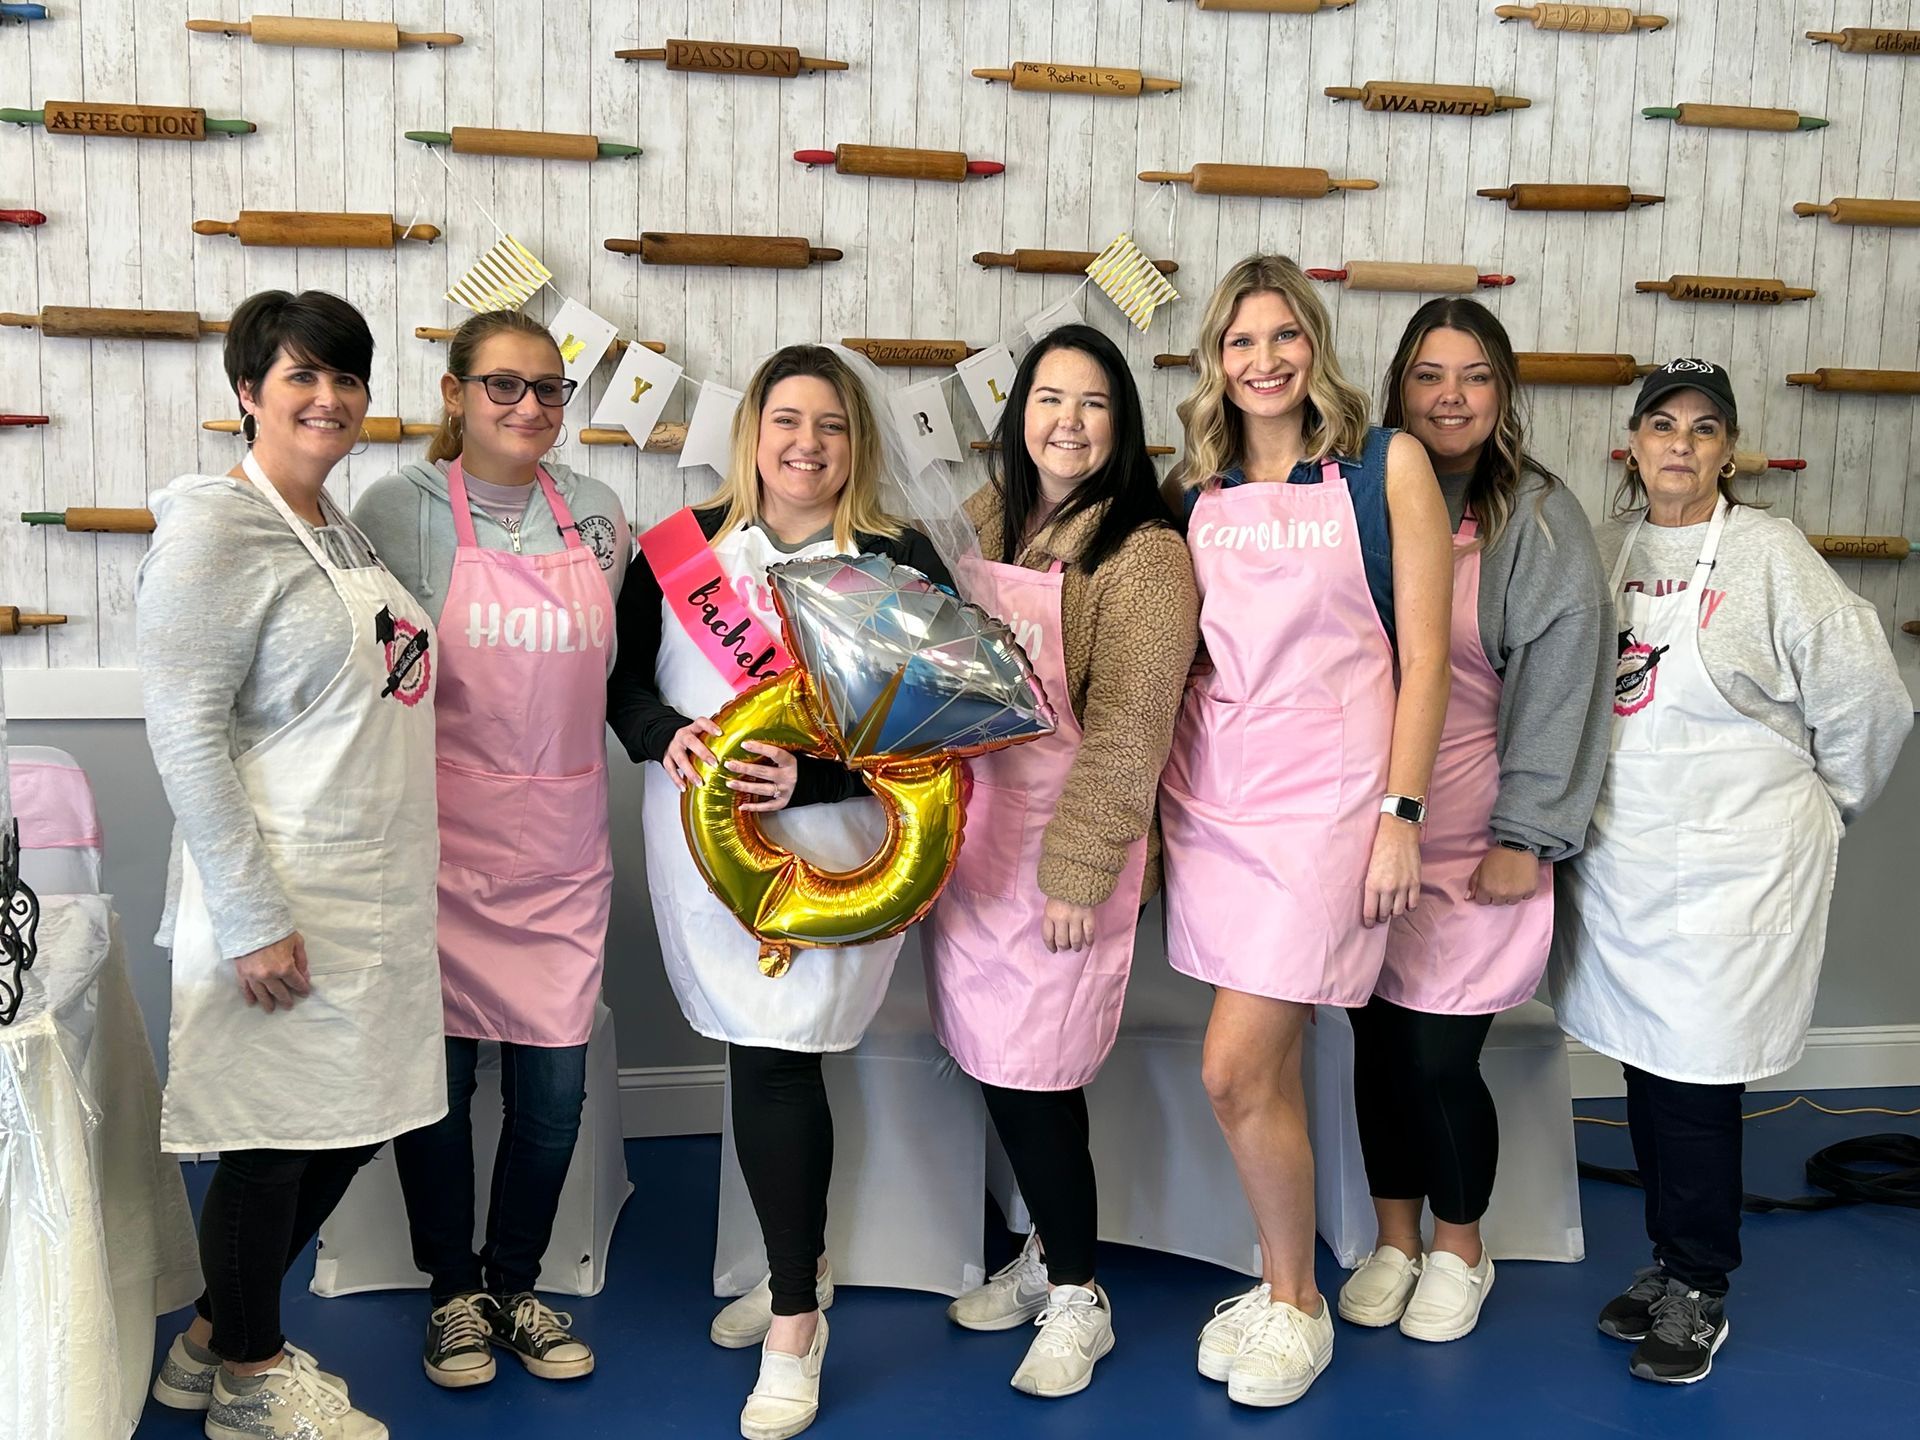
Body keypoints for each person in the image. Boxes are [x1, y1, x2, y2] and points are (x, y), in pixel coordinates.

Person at [607, 345, 957, 1440]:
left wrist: (815, 774)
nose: (808, 445)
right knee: (757, 1053)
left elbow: (941, 717)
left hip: (842, 846)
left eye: (833, 426)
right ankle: (796, 1264)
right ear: (751, 430)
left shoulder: (898, 557)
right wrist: (668, 739)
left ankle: (796, 1323)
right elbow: (621, 685)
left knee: (775, 1056)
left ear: (858, 442)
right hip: (704, 846)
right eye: (787, 421)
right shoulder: (677, 552)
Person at [1552, 358, 1911, 1385]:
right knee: (1641, 1058)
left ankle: (1701, 1282)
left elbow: (1867, 696)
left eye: (1704, 430)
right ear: (1633, 442)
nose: (1680, 444)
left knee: (1699, 1074)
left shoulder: (1770, 553)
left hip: (1735, 867)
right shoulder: (1610, 547)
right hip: (1628, 863)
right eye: (1662, 424)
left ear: (1728, 452)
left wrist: (1826, 801)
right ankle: (1667, 1259)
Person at [141, 289, 440, 1440]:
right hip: (280, 888)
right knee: (272, 1139)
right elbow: (183, 730)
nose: (329, 398)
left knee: (356, 1116)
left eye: (348, 378)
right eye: (302, 376)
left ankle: (215, 1335)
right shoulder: (216, 529)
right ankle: (255, 1381)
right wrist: (253, 913)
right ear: (247, 394)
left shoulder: (342, 528)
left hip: (368, 884)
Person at [1158, 254, 1454, 1408]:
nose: (1265, 360)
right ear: (1216, 362)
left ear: (1313, 346)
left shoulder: (1387, 470)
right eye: (1241, 341)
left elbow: (1425, 657)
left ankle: (1299, 1305)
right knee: (1260, 1070)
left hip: (1332, 805)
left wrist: (1401, 816)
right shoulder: (1197, 489)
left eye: (1284, 337)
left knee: (1231, 1068)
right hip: (1220, 800)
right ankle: (1284, 1286)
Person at [352, 309, 631, 1390]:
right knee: (442, 1088)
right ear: (457, 395)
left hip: (562, 849)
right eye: (505, 386)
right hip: (439, 845)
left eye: (550, 389)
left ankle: (516, 1281)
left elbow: (632, 674)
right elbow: (364, 673)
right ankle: (450, 1294)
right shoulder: (397, 509)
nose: (529, 407)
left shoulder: (601, 516)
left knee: (552, 1095)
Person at [923, 324, 1198, 1397]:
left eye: (1092, 404)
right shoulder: (987, 519)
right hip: (978, 831)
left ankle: (1083, 1295)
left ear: (1121, 425)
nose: (1067, 423)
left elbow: (1133, 727)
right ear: (1018, 412)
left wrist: (1080, 870)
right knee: (998, 1061)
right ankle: (1045, 1255)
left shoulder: (1146, 551)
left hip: (1072, 841)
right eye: (1048, 399)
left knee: (1036, 1075)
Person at [1338, 298, 1613, 1342]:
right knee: (1373, 1046)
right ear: (1399, 387)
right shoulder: (1364, 495)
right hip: (1374, 828)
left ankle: (1461, 1246)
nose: (1450, 397)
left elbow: (1566, 685)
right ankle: (1395, 1236)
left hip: (1479, 833)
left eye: (1475, 377)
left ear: (1503, 396)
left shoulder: (1536, 520)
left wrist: (1524, 836)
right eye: (1429, 376)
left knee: (1439, 1060)